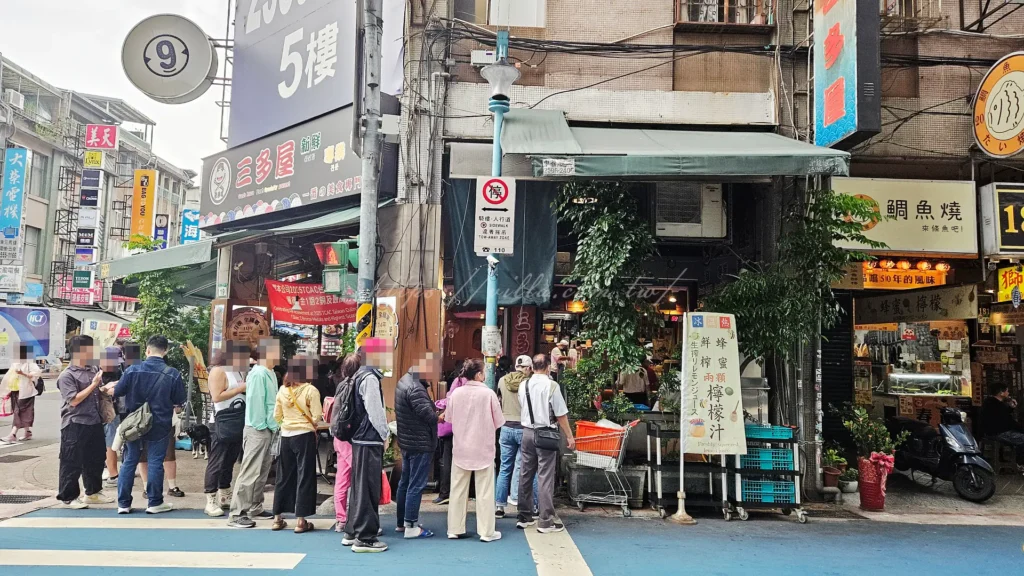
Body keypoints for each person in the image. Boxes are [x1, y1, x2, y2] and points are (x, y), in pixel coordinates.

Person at [112, 335, 186, 514]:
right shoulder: (172, 373)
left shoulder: (132, 370)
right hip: (160, 423)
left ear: (147, 350)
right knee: (155, 462)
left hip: (134, 424)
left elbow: (118, 391)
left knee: (129, 461)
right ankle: (154, 503)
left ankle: (123, 504)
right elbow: (179, 399)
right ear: (166, 350)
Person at [444, 359, 504, 542]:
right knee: (484, 492)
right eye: (484, 371)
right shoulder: (489, 394)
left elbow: (449, 418)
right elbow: (499, 421)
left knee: (457, 490)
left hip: (461, 447)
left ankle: (454, 528)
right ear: (479, 375)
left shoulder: (456, 394)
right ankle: (486, 532)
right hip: (483, 448)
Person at [517, 354, 575, 533]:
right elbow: (560, 414)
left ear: (532, 367)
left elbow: (523, 406)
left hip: (527, 432)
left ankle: (524, 516)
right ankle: (545, 520)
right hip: (546, 433)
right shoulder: (552, 385)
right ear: (548, 367)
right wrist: (570, 436)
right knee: (545, 477)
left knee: (525, 473)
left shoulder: (523, 384)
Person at [342, 339, 390, 553]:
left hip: (358, 438)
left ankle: (352, 531)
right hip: (369, 438)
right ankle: (366, 537)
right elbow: (375, 411)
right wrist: (385, 434)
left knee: (359, 486)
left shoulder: (357, 375)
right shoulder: (369, 378)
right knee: (368, 489)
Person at [227, 338, 281, 528]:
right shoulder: (259, 374)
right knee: (251, 470)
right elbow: (257, 402)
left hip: (267, 427)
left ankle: (255, 506)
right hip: (259, 428)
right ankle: (237, 513)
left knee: (262, 469)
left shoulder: (269, 372)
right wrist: (262, 426)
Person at [55, 335, 112, 508]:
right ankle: (69, 496)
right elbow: (73, 400)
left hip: (94, 421)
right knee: (71, 460)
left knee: (95, 458)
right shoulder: (67, 376)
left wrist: (104, 389)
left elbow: (95, 392)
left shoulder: (93, 369)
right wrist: (94, 385)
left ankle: (93, 492)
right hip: (75, 423)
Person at [271, 354, 322, 533]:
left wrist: (287, 423)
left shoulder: (283, 390)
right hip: (304, 436)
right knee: (305, 475)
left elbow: (276, 416)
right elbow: (317, 416)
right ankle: (301, 520)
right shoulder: (311, 390)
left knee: (283, 476)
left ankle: (277, 517)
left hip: (286, 435)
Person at [394, 352, 440, 539]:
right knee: (416, 484)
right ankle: (411, 526)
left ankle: (401, 522)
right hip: (419, 442)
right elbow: (428, 416)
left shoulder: (404, 381)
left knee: (405, 482)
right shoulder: (416, 388)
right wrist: (439, 415)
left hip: (407, 440)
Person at [203, 343, 248, 517]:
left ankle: (224, 494)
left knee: (229, 460)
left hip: (236, 419)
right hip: (221, 421)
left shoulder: (236, 371)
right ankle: (210, 499)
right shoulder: (218, 371)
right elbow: (216, 396)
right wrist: (240, 389)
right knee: (217, 460)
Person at [495, 355, 539, 518]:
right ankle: (533, 506)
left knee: (505, 467)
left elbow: (499, 400)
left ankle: (499, 506)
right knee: (529, 468)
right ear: (528, 368)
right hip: (524, 428)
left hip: (506, 427)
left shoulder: (502, 381)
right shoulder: (530, 383)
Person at [331, 353, 361, 533]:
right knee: (359, 477)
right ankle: (357, 519)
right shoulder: (356, 386)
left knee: (342, 480)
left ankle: (341, 519)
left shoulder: (341, 385)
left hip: (338, 436)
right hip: (351, 437)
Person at [434, 360, 469, 504]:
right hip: (467, 427)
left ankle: (445, 492)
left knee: (447, 458)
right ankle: (464, 492)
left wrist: (438, 404)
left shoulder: (459, 381)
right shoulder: (476, 385)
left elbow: (451, 400)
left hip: (453, 425)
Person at [2, 344, 42, 444]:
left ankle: (13, 434)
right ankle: (27, 432)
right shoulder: (15, 363)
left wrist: (23, 374)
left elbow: (37, 373)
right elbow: (8, 376)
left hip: (26, 391)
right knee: (23, 411)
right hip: (15, 390)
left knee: (18, 411)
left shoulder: (30, 363)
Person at [981, 383, 1024, 464]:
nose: (1008, 393)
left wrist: (1011, 408)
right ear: (1001, 393)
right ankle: (1019, 463)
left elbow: (1002, 417)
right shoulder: (998, 405)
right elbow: (1008, 421)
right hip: (997, 433)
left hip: (990, 431)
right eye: (1007, 391)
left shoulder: (989, 402)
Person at [100, 347, 124, 487]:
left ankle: (113, 473)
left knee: (112, 443)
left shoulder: (119, 371)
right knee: (106, 443)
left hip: (113, 412)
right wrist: (104, 390)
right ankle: (111, 473)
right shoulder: (93, 371)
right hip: (96, 413)